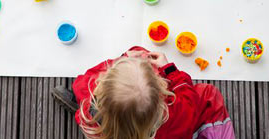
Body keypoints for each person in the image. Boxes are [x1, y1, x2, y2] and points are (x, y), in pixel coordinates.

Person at [51, 46, 235, 139]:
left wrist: (122, 59)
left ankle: (91, 114)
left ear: (101, 85)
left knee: (86, 109)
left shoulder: (88, 90)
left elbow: (83, 80)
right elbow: (188, 97)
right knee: (208, 93)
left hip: (101, 129)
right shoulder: (177, 114)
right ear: (162, 100)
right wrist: (170, 71)